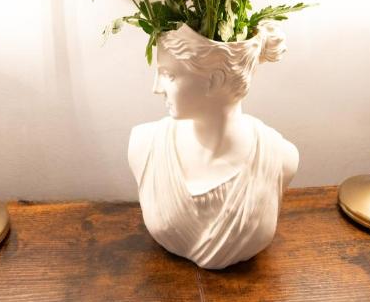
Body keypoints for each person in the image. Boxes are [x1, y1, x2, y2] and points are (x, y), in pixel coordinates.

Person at [127, 23, 299, 269]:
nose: (156, 88)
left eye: (169, 75)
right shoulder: (144, 145)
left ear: (215, 80)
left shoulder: (281, 157)